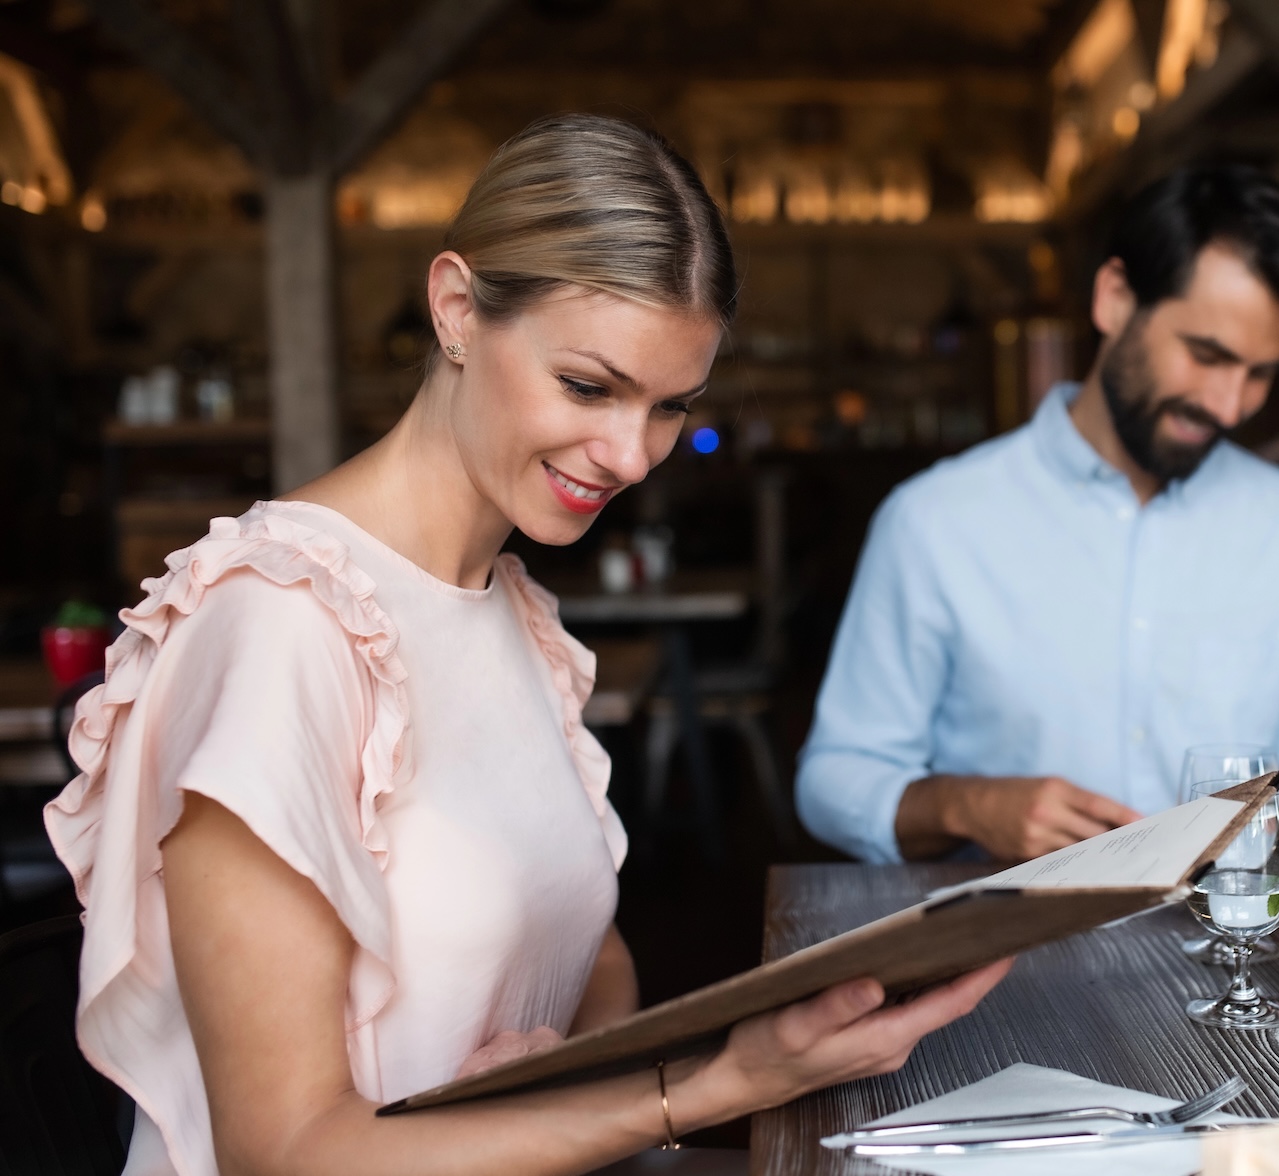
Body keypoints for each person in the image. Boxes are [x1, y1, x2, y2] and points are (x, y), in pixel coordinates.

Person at [43, 115, 1009, 1176]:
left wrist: (555, 1082)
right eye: (590, 388)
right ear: (456, 309)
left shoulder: (515, 612)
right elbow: (285, 1152)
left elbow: (593, 958)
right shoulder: (280, 623)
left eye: (668, 407)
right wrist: (714, 1084)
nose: (632, 457)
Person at [796, 164, 1279, 865]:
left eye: (1259, 374)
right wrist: (969, 804)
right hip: (1002, 963)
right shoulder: (932, 522)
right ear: (1114, 299)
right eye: (1206, 354)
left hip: (1242, 957)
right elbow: (833, 781)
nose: (1229, 407)